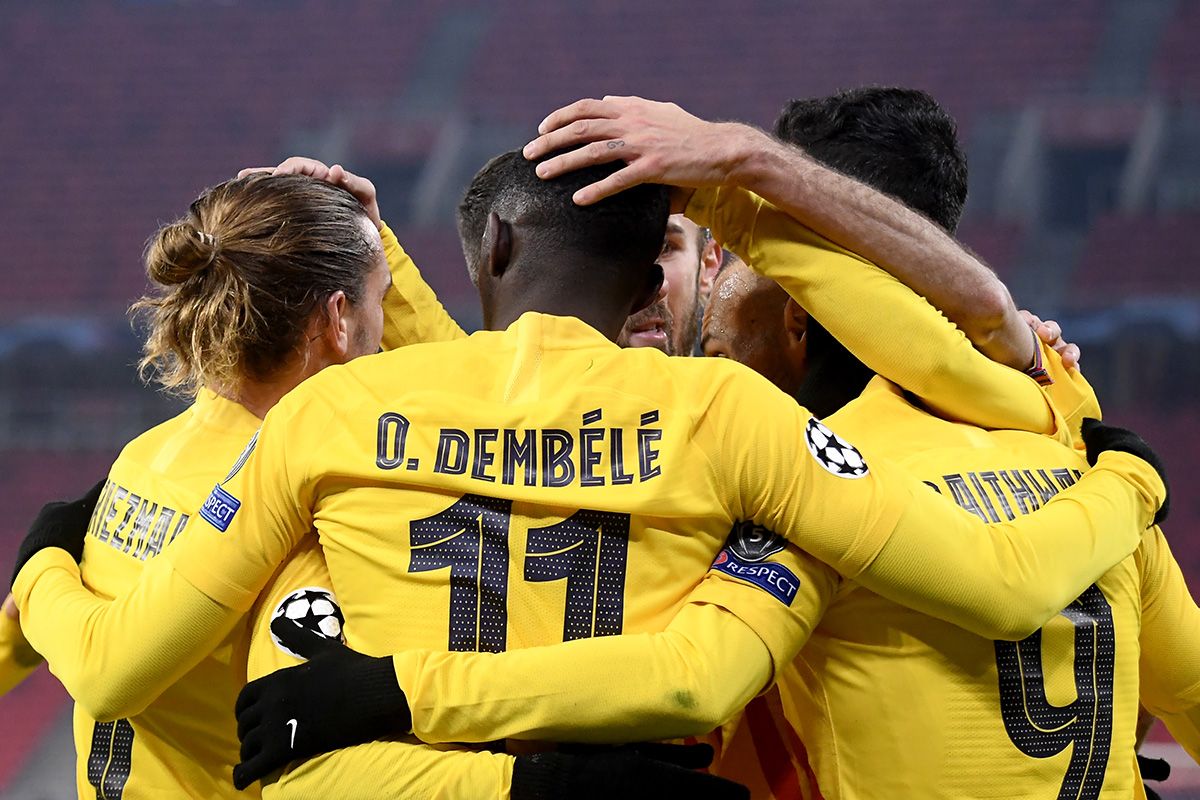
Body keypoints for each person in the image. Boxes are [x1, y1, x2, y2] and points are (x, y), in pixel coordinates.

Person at [233, 93, 1188, 800]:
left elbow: (689, 673)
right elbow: (498, 412)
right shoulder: (1055, 417)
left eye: (722, 250)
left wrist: (400, 695)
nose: (684, 277)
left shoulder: (762, 448)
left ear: (808, 294)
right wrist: (1127, 476)